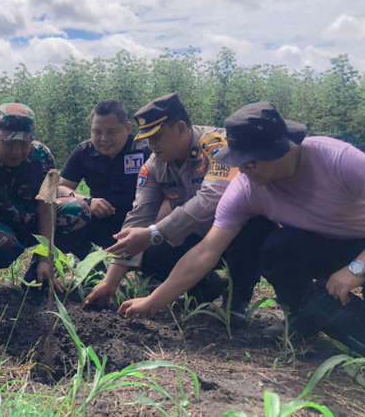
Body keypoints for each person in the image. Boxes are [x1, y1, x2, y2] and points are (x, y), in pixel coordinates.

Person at [118, 102, 365, 352]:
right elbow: (205, 252)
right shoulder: (246, 186)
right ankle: (299, 317)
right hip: (317, 244)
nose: (242, 171)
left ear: (281, 149)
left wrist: (358, 267)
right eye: (237, 162)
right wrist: (153, 301)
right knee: (278, 248)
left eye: (250, 162)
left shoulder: (337, 159)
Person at [85, 93, 275, 327]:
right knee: (151, 255)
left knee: (253, 230)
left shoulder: (217, 145)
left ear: (181, 128)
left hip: (235, 233)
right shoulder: (152, 166)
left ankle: (237, 301)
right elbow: (138, 219)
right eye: (148, 139)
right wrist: (110, 282)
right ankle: (204, 288)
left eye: (157, 137)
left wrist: (155, 232)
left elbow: (211, 198)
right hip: (195, 236)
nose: (152, 146)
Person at [0, 103, 91, 293]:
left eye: (24, 144)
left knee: (78, 210)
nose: (17, 152)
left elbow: (47, 205)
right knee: (1, 242)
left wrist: (45, 258)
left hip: (28, 221)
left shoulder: (44, 157)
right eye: (9, 143)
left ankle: (39, 276)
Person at [56, 100, 152, 259]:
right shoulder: (83, 152)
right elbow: (60, 187)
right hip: (101, 222)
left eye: (111, 132)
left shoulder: (145, 150)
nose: (104, 139)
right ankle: (93, 267)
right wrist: (87, 200)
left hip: (139, 224)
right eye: (97, 132)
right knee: (63, 211)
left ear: (127, 129)